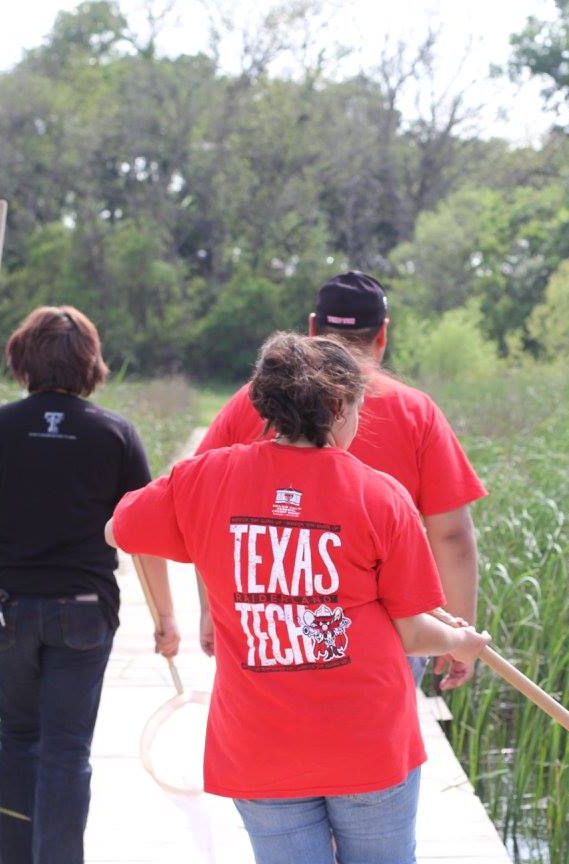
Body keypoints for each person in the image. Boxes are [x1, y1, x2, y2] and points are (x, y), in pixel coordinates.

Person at [107, 332, 490, 864]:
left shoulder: (205, 478)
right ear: (337, 408)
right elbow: (413, 632)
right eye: (358, 407)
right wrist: (461, 640)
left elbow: (117, 529)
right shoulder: (380, 494)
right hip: (368, 740)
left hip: (260, 746)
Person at [0, 305, 179, 864]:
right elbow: (143, 534)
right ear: (91, 365)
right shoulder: (115, 434)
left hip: (6, 606)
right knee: (67, 748)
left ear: (21, 361)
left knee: (19, 737)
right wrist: (165, 617)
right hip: (85, 609)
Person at [194, 271, 486, 690]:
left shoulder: (255, 400)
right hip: (389, 633)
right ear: (382, 335)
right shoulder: (416, 412)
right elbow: (452, 536)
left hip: (270, 629)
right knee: (382, 745)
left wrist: (210, 608)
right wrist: (460, 634)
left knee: (274, 743)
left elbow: (205, 512)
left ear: (313, 329)